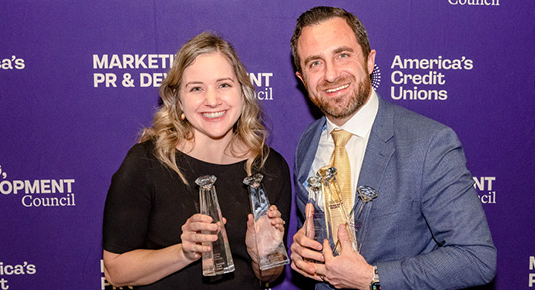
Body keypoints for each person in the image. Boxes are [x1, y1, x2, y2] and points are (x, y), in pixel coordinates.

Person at [289, 6, 496, 290]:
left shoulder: (429, 143)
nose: (331, 74)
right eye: (315, 63)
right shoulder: (307, 143)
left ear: (370, 60)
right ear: (302, 79)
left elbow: (476, 259)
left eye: (342, 55)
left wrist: (373, 278)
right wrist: (306, 251)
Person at [102, 32, 291, 290]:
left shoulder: (270, 167)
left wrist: (263, 255)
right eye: (196, 88)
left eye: (224, 85)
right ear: (179, 102)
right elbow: (116, 271)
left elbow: (269, 275)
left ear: (243, 93)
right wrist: (185, 252)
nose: (212, 100)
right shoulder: (146, 162)